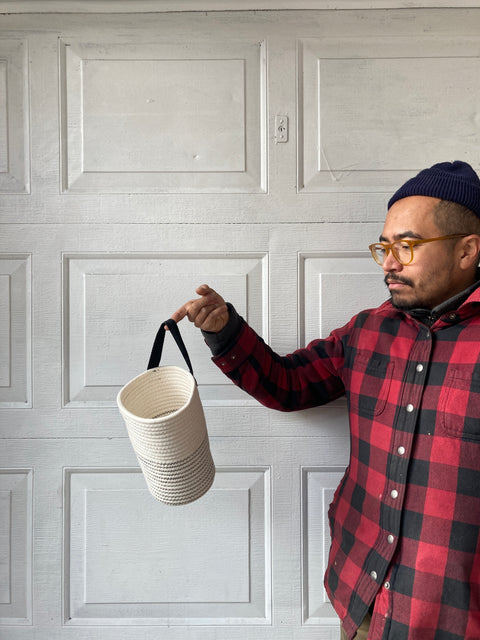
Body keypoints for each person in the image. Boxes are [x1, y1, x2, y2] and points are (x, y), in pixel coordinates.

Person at [171, 161, 480, 640]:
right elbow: (287, 384)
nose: (388, 263)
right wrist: (224, 329)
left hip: (452, 621)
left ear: (467, 251)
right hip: (362, 603)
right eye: (384, 246)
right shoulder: (367, 332)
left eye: (407, 246)